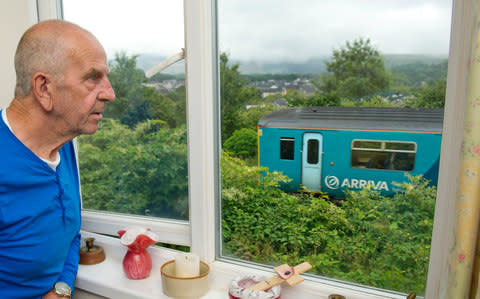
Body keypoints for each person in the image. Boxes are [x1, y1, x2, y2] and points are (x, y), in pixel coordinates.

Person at [0, 20, 115, 298]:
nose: (110, 94)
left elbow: (71, 235)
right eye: (92, 78)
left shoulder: (63, 144)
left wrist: (61, 288)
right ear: (44, 88)